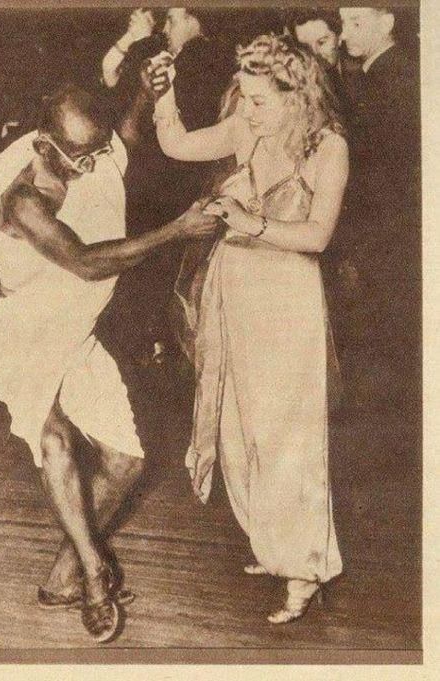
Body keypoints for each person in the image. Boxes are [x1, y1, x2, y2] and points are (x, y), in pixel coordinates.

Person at [0, 84, 220, 643]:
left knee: (126, 463)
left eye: (96, 150)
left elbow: (124, 138)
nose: (93, 164)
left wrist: (144, 93)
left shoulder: (94, 154)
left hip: (75, 338)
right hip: (22, 337)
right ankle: (93, 571)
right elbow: (85, 263)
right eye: (79, 155)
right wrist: (178, 230)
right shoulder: (23, 202)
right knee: (55, 443)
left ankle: (61, 578)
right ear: (44, 144)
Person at [151, 34, 349, 623]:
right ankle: (274, 542)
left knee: (288, 433)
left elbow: (316, 237)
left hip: (286, 299)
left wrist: (250, 220)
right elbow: (178, 145)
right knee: (239, 425)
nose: (249, 109)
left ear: (299, 94)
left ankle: (305, 567)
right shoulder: (248, 125)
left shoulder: (327, 146)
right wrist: (165, 96)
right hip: (234, 290)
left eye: (262, 100)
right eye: (247, 96)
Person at [98, 7, 234, 365]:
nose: (165, 27)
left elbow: (145, 129)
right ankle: (148, 348)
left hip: (165, 183)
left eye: (172, 19)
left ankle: (145, 352)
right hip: (167, 181)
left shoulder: (200, 58)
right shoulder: (184, 58)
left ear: (195, 19)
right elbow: (110, 78)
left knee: (145, 269)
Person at [337, 7, 421, 410]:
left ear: (387, 23)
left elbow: (378, 174)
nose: (343, 34)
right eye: (343, 22)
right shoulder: (385, 75)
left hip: (384, 232)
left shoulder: (390, 79)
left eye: (355, 22)